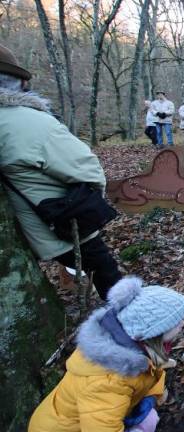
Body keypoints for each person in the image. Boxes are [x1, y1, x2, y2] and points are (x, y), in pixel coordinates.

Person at [0, 43, 122, 301]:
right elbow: (87, 169)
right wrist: (92, 204)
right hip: (59, 223)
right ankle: (133, 326)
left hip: (31, 227)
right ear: (17, 83)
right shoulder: (27, 122)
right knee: (107, 273)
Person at [29, 277, 184, 431]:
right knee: (149, 421)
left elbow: (150, 371)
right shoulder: (106, 384)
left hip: (94, 418)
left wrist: (151, 395)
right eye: (175, 322)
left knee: (149, 417)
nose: (183, 323)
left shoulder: (129, 344)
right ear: (152, 333)